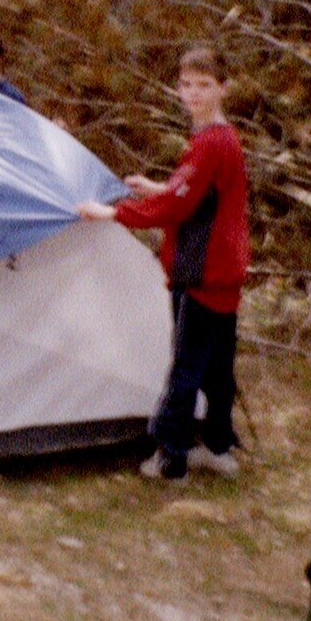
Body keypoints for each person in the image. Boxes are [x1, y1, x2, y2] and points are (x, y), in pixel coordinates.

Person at [77, 45, 250, 482]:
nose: (194, 94)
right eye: (186, 85)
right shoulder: (224, 138)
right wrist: (159, 187)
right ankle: (217, 445)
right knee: (217, 366)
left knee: (187, 366)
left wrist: (113, 213)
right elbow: (200, 194)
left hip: (201, 272)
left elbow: (177, 206)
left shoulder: (210, 143)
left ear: (224, 89)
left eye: (204, 85)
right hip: (225, 271)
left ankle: (171, 457)